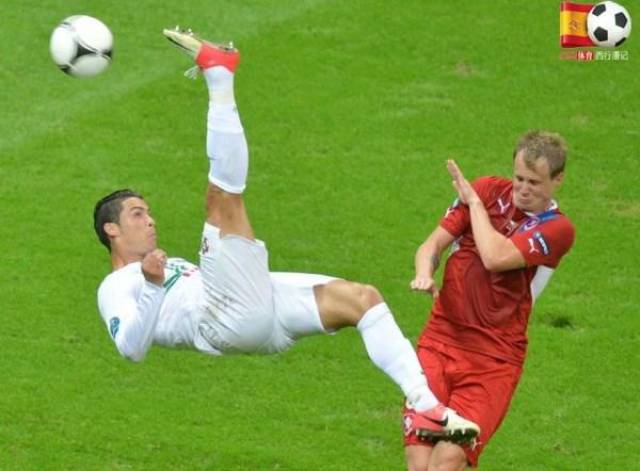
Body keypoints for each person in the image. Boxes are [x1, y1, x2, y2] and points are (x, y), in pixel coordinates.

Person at [93, 27, 480, 442]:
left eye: (149, 213)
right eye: (137, 214)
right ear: (111, 229)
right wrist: (153, 286)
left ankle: (426, 405)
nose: (150, 221)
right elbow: (131, 350)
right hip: (223, 319)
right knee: (222, 200)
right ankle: (219, 75)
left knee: (362, 299)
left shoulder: (164, 265)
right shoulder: (115, 286)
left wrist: (157, 279)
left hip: (255, 313)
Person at [404, 133, 576, 469]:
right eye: (519, 178)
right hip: (440, 339)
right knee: (418, 460)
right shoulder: (486, 190)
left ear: (558, 180)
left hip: (492, 358)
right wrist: (424, 273)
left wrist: (475, 205)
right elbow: (432, 245)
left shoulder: (558, 229)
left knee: (447, 460)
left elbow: (495, 257)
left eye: (534, 182)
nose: (523, 189)